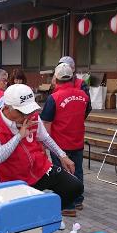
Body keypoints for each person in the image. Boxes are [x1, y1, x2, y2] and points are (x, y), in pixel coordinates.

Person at [0, 84, 83, 210]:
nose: (27, 116)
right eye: (22, 112)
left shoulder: (32, 116)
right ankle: (40, 215)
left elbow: (45, 137)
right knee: (24, 213)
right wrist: (19, 136)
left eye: (29, 111)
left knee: (75, 187)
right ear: (7, 107)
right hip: (14, 180)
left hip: (40, 169)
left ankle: (47, 213)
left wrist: (62, 155)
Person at [41, 63, 89, 216]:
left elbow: (46, 123)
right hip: (78, 140)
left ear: (56, 78)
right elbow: (85, 112)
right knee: (78, 170)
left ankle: (67, 205)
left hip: (60, 143)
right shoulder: (83, 96)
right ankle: (78, 199)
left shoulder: (54, 97)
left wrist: (46, 144)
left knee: (62, 174)